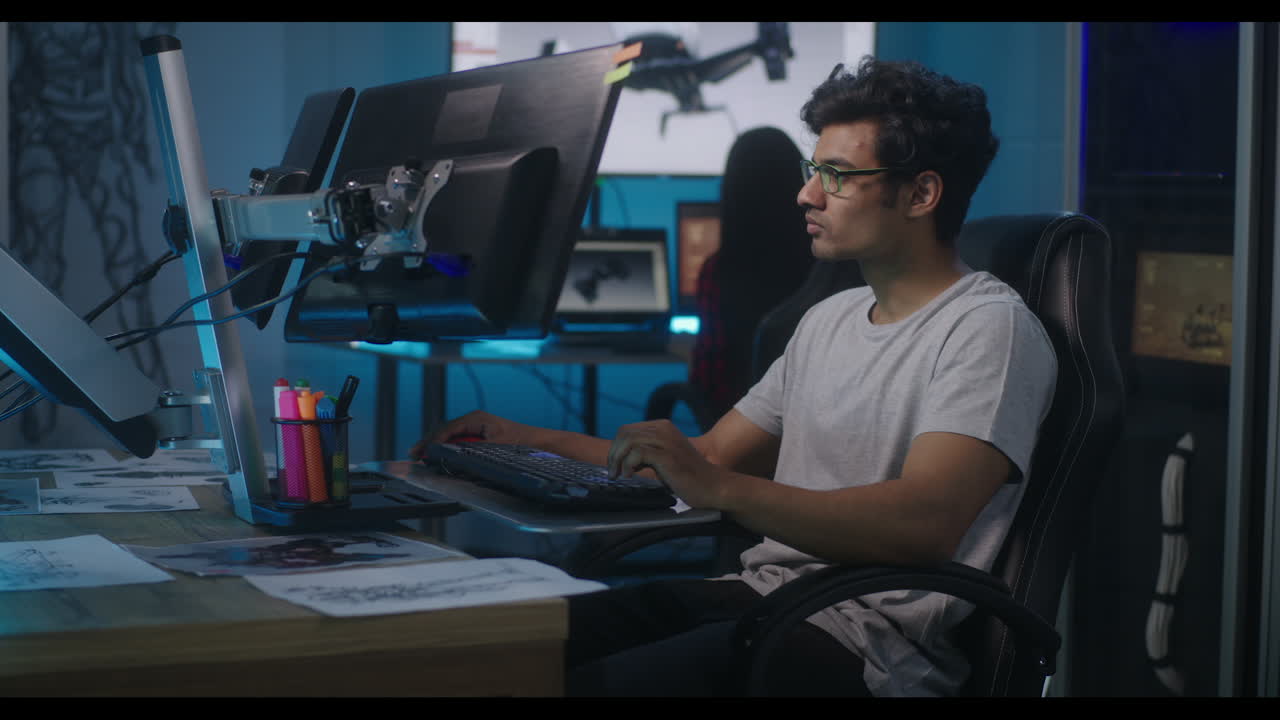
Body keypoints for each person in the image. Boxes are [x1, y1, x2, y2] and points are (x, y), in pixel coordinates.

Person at [411, 56, 1058, 697]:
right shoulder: (828, 319)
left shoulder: (987, 328)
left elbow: (922, 524)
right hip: (767, 598)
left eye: (836, 176)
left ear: (920, 194)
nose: (807, 194)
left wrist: (718, 487)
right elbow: (711, 457)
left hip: (867, 647)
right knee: (509, 649)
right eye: (813, 171)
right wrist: (525, 440)